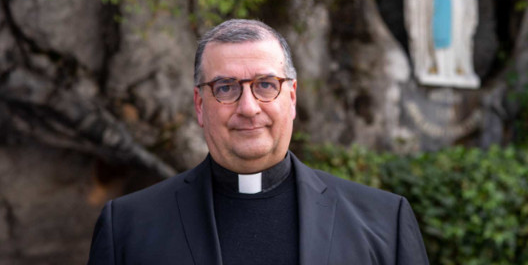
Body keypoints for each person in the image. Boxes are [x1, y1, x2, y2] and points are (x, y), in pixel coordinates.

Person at [87, 19, 430, 264]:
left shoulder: (385, 222)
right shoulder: (128, 228)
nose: (248, 108)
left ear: (291, 98)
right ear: (199, 105)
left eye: (266, 85)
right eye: (225, 88)